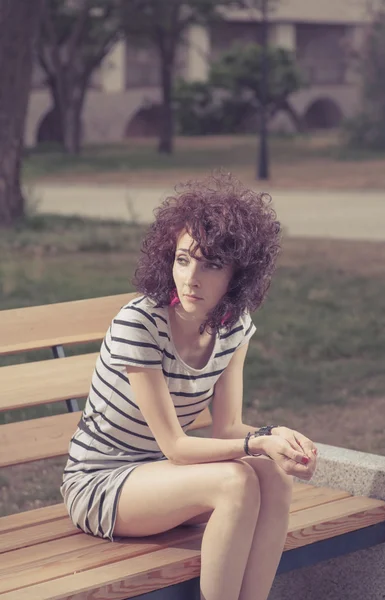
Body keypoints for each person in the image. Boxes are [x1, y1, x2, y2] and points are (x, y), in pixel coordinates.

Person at [61, 171, 317, 600]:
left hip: (164, 480)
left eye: (211, 264)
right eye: (184, 259)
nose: (191, 277)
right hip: (102, 483)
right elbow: (177, 447)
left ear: (238, 274)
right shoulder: (139, 324)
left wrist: (277, 440)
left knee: (272, 475)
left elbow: (230, 427)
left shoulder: (234, 327)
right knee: (234, 482)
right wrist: (258, 443)